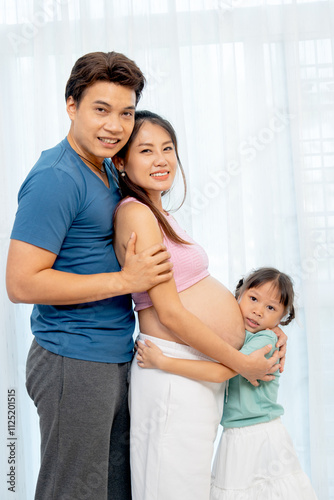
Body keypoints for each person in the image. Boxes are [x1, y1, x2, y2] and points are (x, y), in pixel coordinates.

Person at [6, 52, 175, 500]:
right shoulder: (56, 179)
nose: (115, 126)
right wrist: (124, 280)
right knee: (73, 492)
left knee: (113, 490)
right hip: (73, 360)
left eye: (126, 113)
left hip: (112, 355)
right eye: (101, 110)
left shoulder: (102, 165)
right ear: (71, 106)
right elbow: (20, 284)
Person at [112, 110, 288, 500]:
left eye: (168, 148)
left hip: (196, 371)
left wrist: (263, 331)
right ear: (121, 161)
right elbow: (171, 312)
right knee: (169, 489)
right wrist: (240, 362)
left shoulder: (162, 215)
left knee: (188, 488)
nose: (161, 159)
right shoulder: (137, 213)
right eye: (146, 150)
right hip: (174, 370)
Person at [137, 267, 318, 500]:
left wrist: (163, 362)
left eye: (270, 308)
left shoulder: (263, 341)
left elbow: (219, 373)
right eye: (253, 299)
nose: (258, 311)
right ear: (239, 295)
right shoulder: (244, 335)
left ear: (282, 318)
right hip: (236, 432)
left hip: (258, 433)